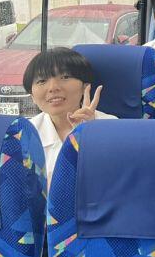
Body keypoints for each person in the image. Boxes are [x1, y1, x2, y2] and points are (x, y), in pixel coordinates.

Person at [24, 48, 115, 188]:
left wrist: (90, 136)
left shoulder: (112, 127)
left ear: (85, 87)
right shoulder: (25, 134)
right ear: (32, 96)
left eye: (65, 77)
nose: (53, 88)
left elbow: (112, 182)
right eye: (42, 81)